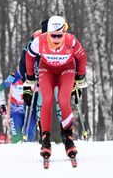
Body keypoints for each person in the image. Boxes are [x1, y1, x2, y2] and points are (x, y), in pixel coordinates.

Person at [24, 15, 87, 160]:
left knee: (63, 100)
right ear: (48, 34)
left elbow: (82, 57)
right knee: (47, 100)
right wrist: (30, 76)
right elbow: (28, 56)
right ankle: (45, 139)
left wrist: (81, 76)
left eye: (60, 35)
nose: (57, 39)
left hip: (67, 70)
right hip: (47, 70)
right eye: (53, 36)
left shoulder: (71, 41)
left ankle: (68, 138)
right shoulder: (39, 41)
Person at [0, 69, 36, 143]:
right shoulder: (14, 76)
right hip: (15, 111)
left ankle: (27, 154)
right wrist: (2, 105)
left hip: (30, 111)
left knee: (28, 138)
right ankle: (14, 153)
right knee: (17, 137)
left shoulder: (35, 75)